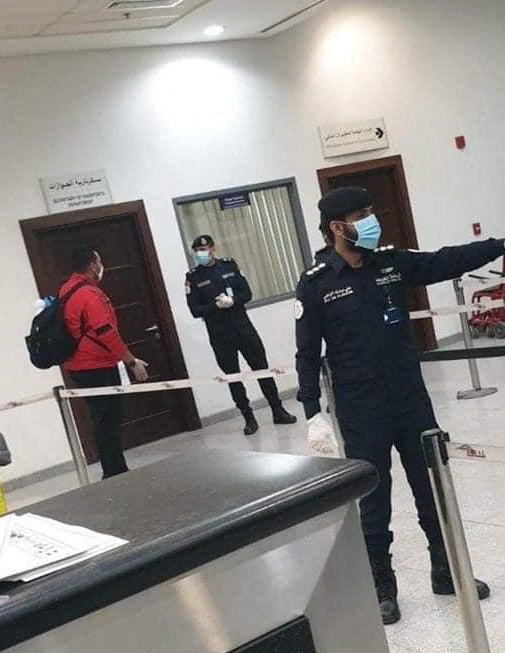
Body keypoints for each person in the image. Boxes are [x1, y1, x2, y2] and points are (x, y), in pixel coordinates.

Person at [295, 186, 504, 624]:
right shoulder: (316, 283)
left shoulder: (389, 263)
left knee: (433, 488)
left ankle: (446, 571)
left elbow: (445, 260)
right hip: (361, 409)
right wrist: (312, 411)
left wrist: (499, 245)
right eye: (361, 215)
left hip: (410, 400)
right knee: (374, 499)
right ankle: (382, 587)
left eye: (370, 211)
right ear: (337, 227)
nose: (371, 220)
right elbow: (307, 353)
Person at [185, 235, 297, 435]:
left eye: (204, 249)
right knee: (233, 376)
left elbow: (247, 293)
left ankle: (278, 410)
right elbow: (195, 310)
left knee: (261, 368)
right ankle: (249, 418)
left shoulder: (229, 266)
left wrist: (233, 301)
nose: (201, 253)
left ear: (213, 248)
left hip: (243, 327)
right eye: (197, 251)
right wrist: (215, 306)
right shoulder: (193, 277)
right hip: (219, 334)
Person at [60, 248, 149, 479]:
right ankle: (115, 472)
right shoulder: (89, 294)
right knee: (109, 421)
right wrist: (131, 361)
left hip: (80, 366)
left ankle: (112, 469)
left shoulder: (67, 289)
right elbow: (105, 331)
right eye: (99, 261)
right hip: (96, 366)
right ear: (92, 265)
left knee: (101, 420)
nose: (101, 266)